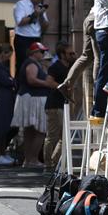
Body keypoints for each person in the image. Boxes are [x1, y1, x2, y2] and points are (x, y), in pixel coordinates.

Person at [11, 42, 58, 168]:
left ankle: (29, 160)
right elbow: (31, 79)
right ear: (34, 53)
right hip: (34, 99)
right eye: (42, 52)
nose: (43, 54)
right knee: (40, 131)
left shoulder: (34, 63)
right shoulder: (31, 63)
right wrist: (47, 84)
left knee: (30, 131)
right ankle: (32, 159)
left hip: (31, 98)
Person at [43, 41, 76, 170]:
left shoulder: (72, 66)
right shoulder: (55, 66)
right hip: (54, 105)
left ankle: (53, 162)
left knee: (64, 136)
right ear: (62, 54)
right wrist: (60, 87)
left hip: (64, 105)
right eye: (70, 53)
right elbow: (48, 81)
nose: (73, 55)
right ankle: (48, 164)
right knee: (52, 136)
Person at [57, 9, 99, 103]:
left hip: (90, 18)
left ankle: (67, 83)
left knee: (86, 56)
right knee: (98, 58)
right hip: (99, 20)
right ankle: (98, 89)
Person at [13, 0, 49, 74]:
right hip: (23, 38)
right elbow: (20, 22)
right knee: (23, 64)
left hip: (36, 38)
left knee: (36, 63)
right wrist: (34, 15)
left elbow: (45, 26)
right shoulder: (21, 4)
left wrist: (40, 15)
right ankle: (20, 85)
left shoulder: (40, 7)